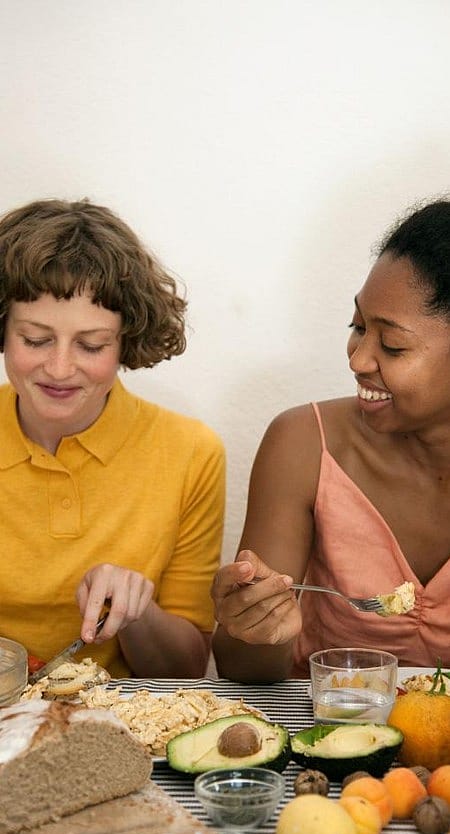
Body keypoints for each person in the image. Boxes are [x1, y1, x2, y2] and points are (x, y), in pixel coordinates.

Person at [212, 198, 450, 683]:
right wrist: (253, 627)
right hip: (321, 739)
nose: (358, 360)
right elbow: (243, 672)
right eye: (357, 327)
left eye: (392, 344)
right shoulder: (301, 444)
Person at [0, 198, 225, 678]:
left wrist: (138, 614)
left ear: (126, 339)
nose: (60, 368)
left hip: (117, 727)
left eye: (91, 345)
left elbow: (184, 670)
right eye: (35, 340)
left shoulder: (191, 453)